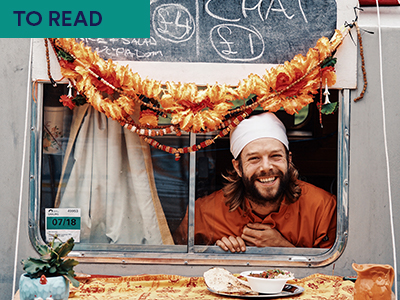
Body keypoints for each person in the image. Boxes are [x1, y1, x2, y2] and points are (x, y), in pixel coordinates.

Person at [173, 112, 337, 252]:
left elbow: (334, 276)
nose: (266, 167)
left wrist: (282, 248)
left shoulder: (322, 207)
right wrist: (215, 252)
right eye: (254, 159)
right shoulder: (204, 212)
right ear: (238, 167)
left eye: (275, 156)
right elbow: (175, 258)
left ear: (289, 159)